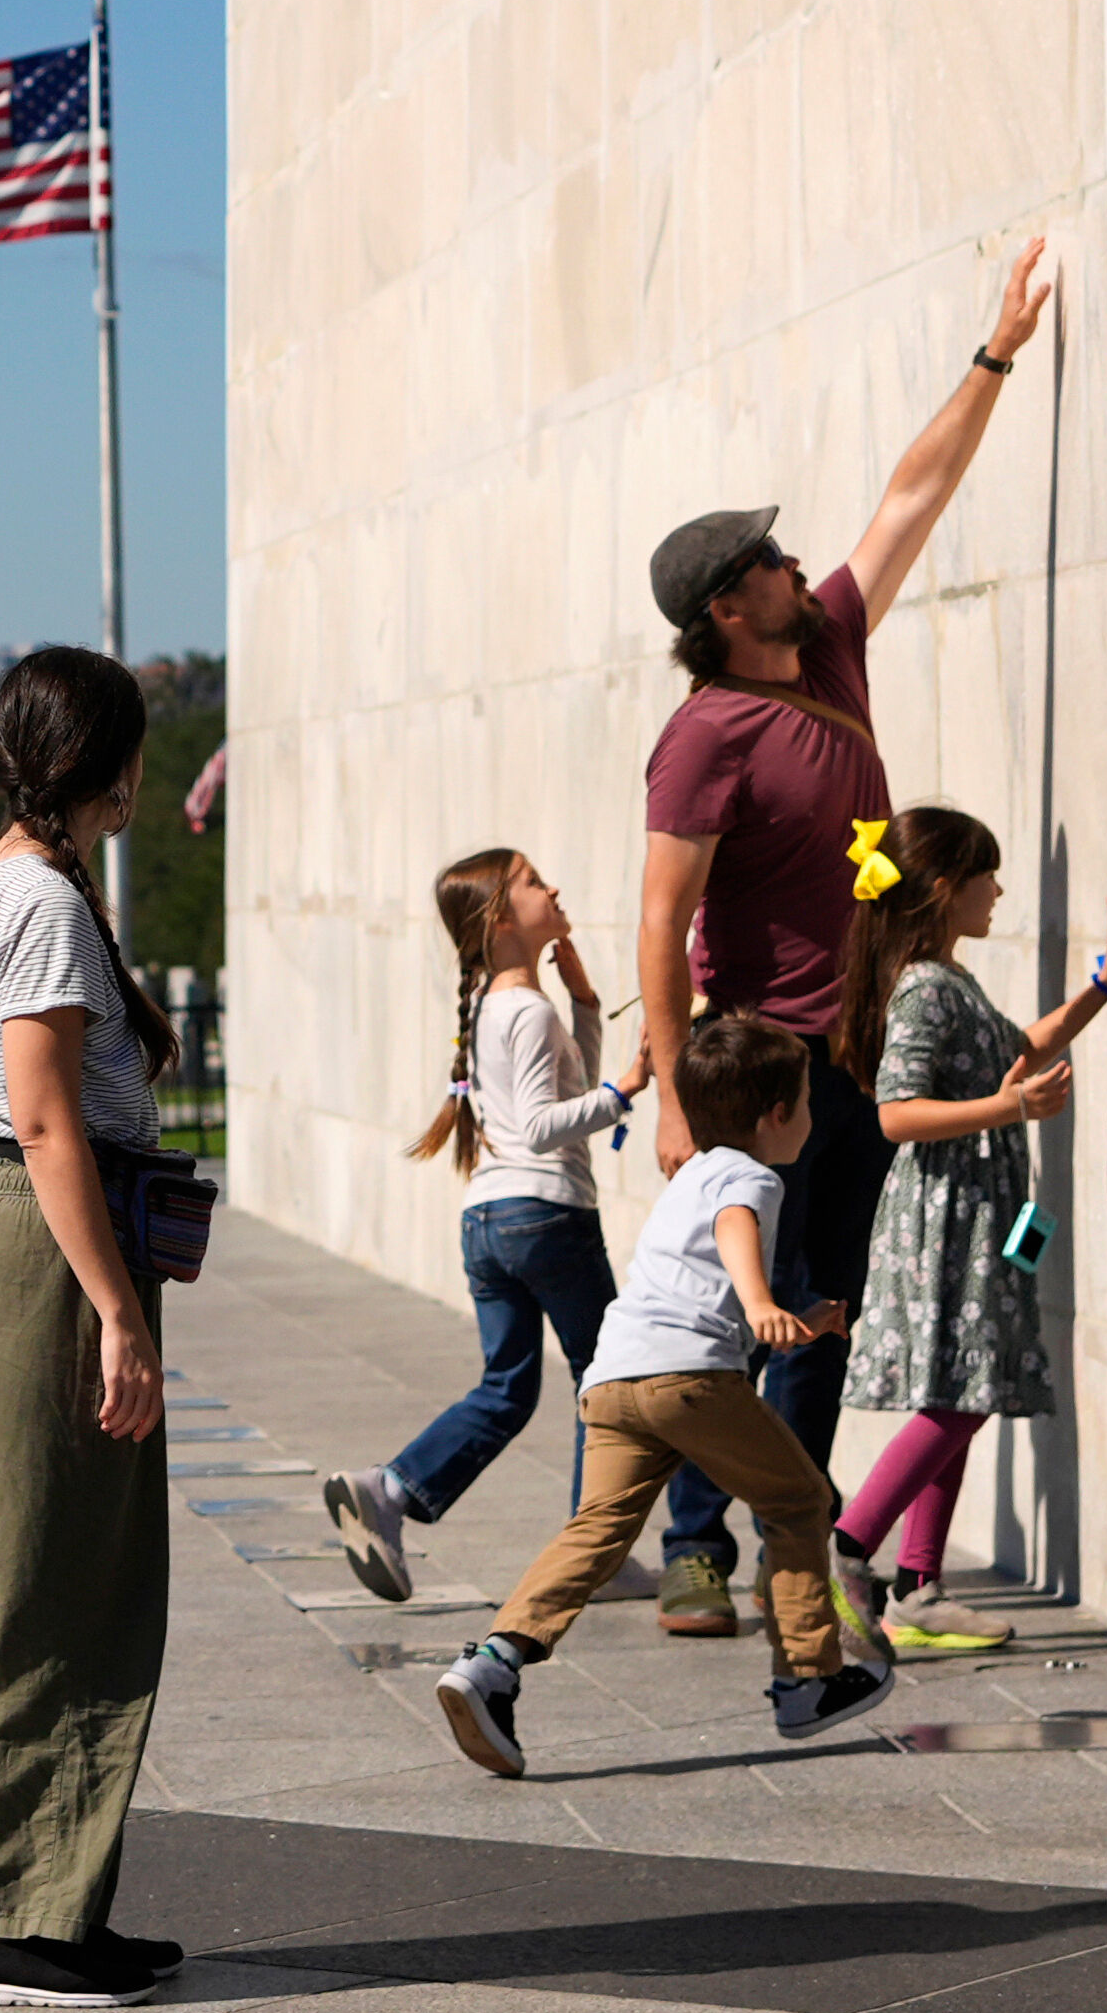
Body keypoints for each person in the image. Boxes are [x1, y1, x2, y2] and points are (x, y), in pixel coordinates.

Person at [632, 230, 1054, 1636]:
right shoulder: (701, 735)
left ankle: (790, 1543)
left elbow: (909, 493)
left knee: (815, 1309)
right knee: (719, 1308)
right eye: (761, 558)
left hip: (854, 1050)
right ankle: (693, 1542)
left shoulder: (825, 645)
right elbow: (661, 909)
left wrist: (991, 352)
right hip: (753, 1054)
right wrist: (669, 1091)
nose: (790, 556)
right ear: (720, 606)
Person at [0, 647, 187, 2010]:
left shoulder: (20, 882)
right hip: (39, 1252)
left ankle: (56, 1902)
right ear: (108, 759)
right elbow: (42, 1115)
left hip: (31, 1245)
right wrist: (115, 1307)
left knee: (83, 1583)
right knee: (41, 1590)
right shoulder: (36, 894)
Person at [431, 1013, 894, 1774]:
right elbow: (737, 1226)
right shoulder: (752, 1175)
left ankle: (491, 1662)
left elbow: (698, 1266)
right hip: (690, 1380)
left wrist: (794, 1318)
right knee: (798, 1499)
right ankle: (808, 1676)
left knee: (596, 1530)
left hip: (614, 1378)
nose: (813, 1118)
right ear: (776, 1116)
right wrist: (757, 1300)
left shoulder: (691, 1174)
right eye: (807, 1102)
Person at [831, 807, 1107, 1652]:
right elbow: (895, 1113)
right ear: (941, 888)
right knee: (963, 1392)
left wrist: (1097, 993)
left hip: (981, 1211)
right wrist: (1010, 1105)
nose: (999, 890)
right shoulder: (925, 984)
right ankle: (849, 1549)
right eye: (986, 875)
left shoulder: (947, 978)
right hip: (949, 1218)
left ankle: (920, 1585)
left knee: (961, 1389)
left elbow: (1017, 1050)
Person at [320, 850, 639, 1603]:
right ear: (499, 918)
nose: (553, 886)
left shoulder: (508, 1005)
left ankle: (390, 1490)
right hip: (546, 1214)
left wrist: (587, 1005)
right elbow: (543, 1124)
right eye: (533, 881)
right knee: (611, 1380)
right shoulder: (523, 1010)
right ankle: (594, 1555)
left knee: (509, 1387)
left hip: (490, 1221)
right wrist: (627, 1089)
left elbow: (562, 1091)